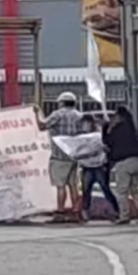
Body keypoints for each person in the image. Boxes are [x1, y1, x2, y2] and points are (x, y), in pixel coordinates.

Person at [36, 92, 83, 222]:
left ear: (61, 103)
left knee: (60, 186)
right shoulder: (79, 116)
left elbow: (42, 126)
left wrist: (35, 114)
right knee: (73, 185)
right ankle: (75, 212)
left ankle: (60, 212)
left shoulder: (58, 114)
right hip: (74, 156)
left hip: (59, 156)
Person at [103, 105, 138, 225]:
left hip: (123, 162)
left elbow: (108, 143)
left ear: (119, 116)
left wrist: (106, 129)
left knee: (122, 191)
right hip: (136, 161)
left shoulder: (116, 130)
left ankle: (124, 216)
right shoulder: (132, 128)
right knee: (134, 189)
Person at [77, 114, 119, 221]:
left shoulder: (99, 135)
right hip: (87, 166)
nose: (85, 126)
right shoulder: (81, 137)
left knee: (105, 188)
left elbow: (106, 147)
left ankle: (116, 210)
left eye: (87, 123)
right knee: (86, 190)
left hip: (99, 165)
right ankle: (85, 211)